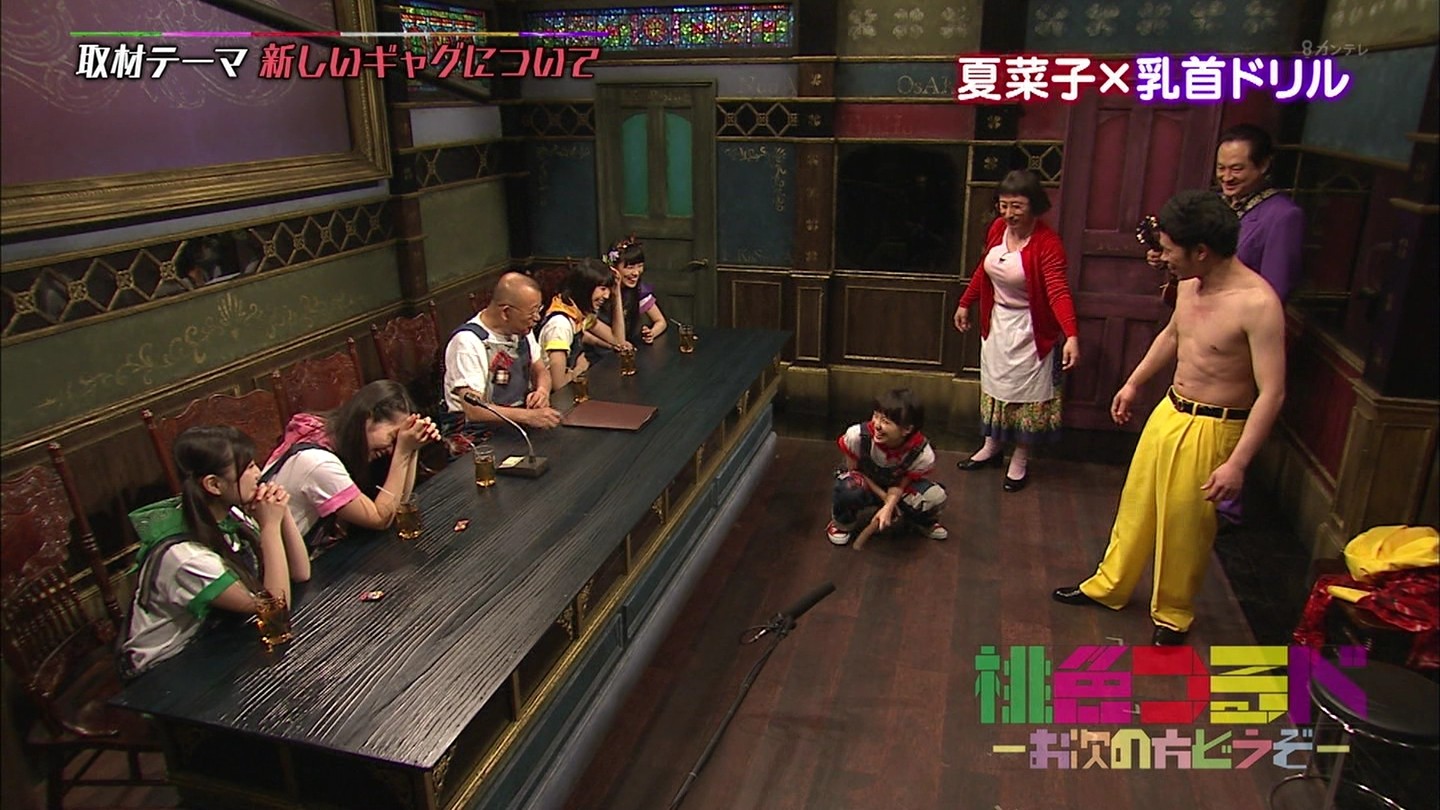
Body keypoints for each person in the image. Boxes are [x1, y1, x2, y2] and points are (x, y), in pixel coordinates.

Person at [1053, 189, 1286, 645]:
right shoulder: (1189, 283)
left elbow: (1273, 392)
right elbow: (1173, 335)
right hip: (1171, 408)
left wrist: (1237, 463)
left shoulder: (1257, 304)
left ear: (1201, 251)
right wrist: (1134, 383)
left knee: (1184, 524)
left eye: (1169, 250)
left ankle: (1174, 612)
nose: (1161, 258)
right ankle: (1109, 585)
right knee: (1137, 503)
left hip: (1215, 424)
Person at [120, 426, 311, 676]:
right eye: (248, 467)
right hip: (166, 668)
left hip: (216, 642)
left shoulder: (230, 514)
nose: (258, 474)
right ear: (213, 484)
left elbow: (301, 574)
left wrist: (281, 512)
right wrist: (270, 527)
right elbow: (275, 611)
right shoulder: (185, 557)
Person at [953, 169, 1080, 492]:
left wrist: (1071, 335)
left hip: (1030, 329)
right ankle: (991, 446)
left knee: (1026, 396)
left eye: (1017, 206)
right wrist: (966, 302)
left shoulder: (1048, 244)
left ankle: (1020, 458)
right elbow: (984, 270)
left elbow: (1058, 292)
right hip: (998, 323)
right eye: (1003, 205)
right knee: (996, 386)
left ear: (1034, 206)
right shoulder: (998, 228)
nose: (1008, 213)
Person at [262, 380, 441, 547]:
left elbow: (399, 504)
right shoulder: (318, 463)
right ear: (368, 419)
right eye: (393, 436)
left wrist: (412, 446)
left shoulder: (331, 434)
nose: (391, 448)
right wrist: (403, 450)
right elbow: (380, 518)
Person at [827, 388, 948, 549]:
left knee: (935, 496)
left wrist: (889, 505)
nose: (877, 425)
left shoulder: (922, 452)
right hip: (865, 483)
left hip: (897, 489)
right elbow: (855, 472)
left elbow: (902, 482)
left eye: (886, 422)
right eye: (876, 416)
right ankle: (842, 523)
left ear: (907, 429)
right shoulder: (857, 436)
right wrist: (886, 501)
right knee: (849, 486)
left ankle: (923, 522)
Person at [443, 272, 561, 431]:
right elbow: (473, 410)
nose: (537, 318)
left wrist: (542, 391)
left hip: (517, 419)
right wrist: (529, 417)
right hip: (476, 432)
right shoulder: (467, 342)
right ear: (506, 312)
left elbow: (540, 369)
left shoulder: (522, 329)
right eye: (531, 313)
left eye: (538, 310)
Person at [537, 258, 616, 391]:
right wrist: (580, 368)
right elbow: (558, 385)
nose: (607, 295)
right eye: (602, 289)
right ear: (585, 288)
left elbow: (616, 340)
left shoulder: (577, 313)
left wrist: (617, 294)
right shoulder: (560, 325)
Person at [594, 235, 668, 349]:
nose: (636, 273)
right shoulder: (600, 291)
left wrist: (652, 333)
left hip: (623, 347)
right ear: (613, 267)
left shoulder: (638, 290)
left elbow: (660, 321)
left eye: (640, 266)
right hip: (600, 348)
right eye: (630, 267)